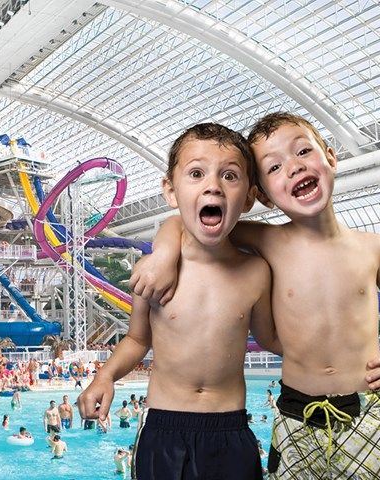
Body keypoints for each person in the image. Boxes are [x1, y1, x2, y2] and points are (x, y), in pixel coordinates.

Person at [130, 113, 380, 479]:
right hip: (295, 414)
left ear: (330, 157)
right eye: (274, 167)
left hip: (367, 408)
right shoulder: (268, 240)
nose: (294, 166)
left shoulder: (374, 247)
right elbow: (185, 218)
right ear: (263, 196)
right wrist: (163, 254)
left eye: (303, 151)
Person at [78, 123, 277, 480]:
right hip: (164, 428)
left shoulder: (256, 272)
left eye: (230, 175)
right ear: (171, 191)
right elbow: (137, 339)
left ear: (248, 198)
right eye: (197, 174)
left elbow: (271, 339)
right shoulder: (152, 271)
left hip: (230, 427)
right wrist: (105, 376)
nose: (213, 186)